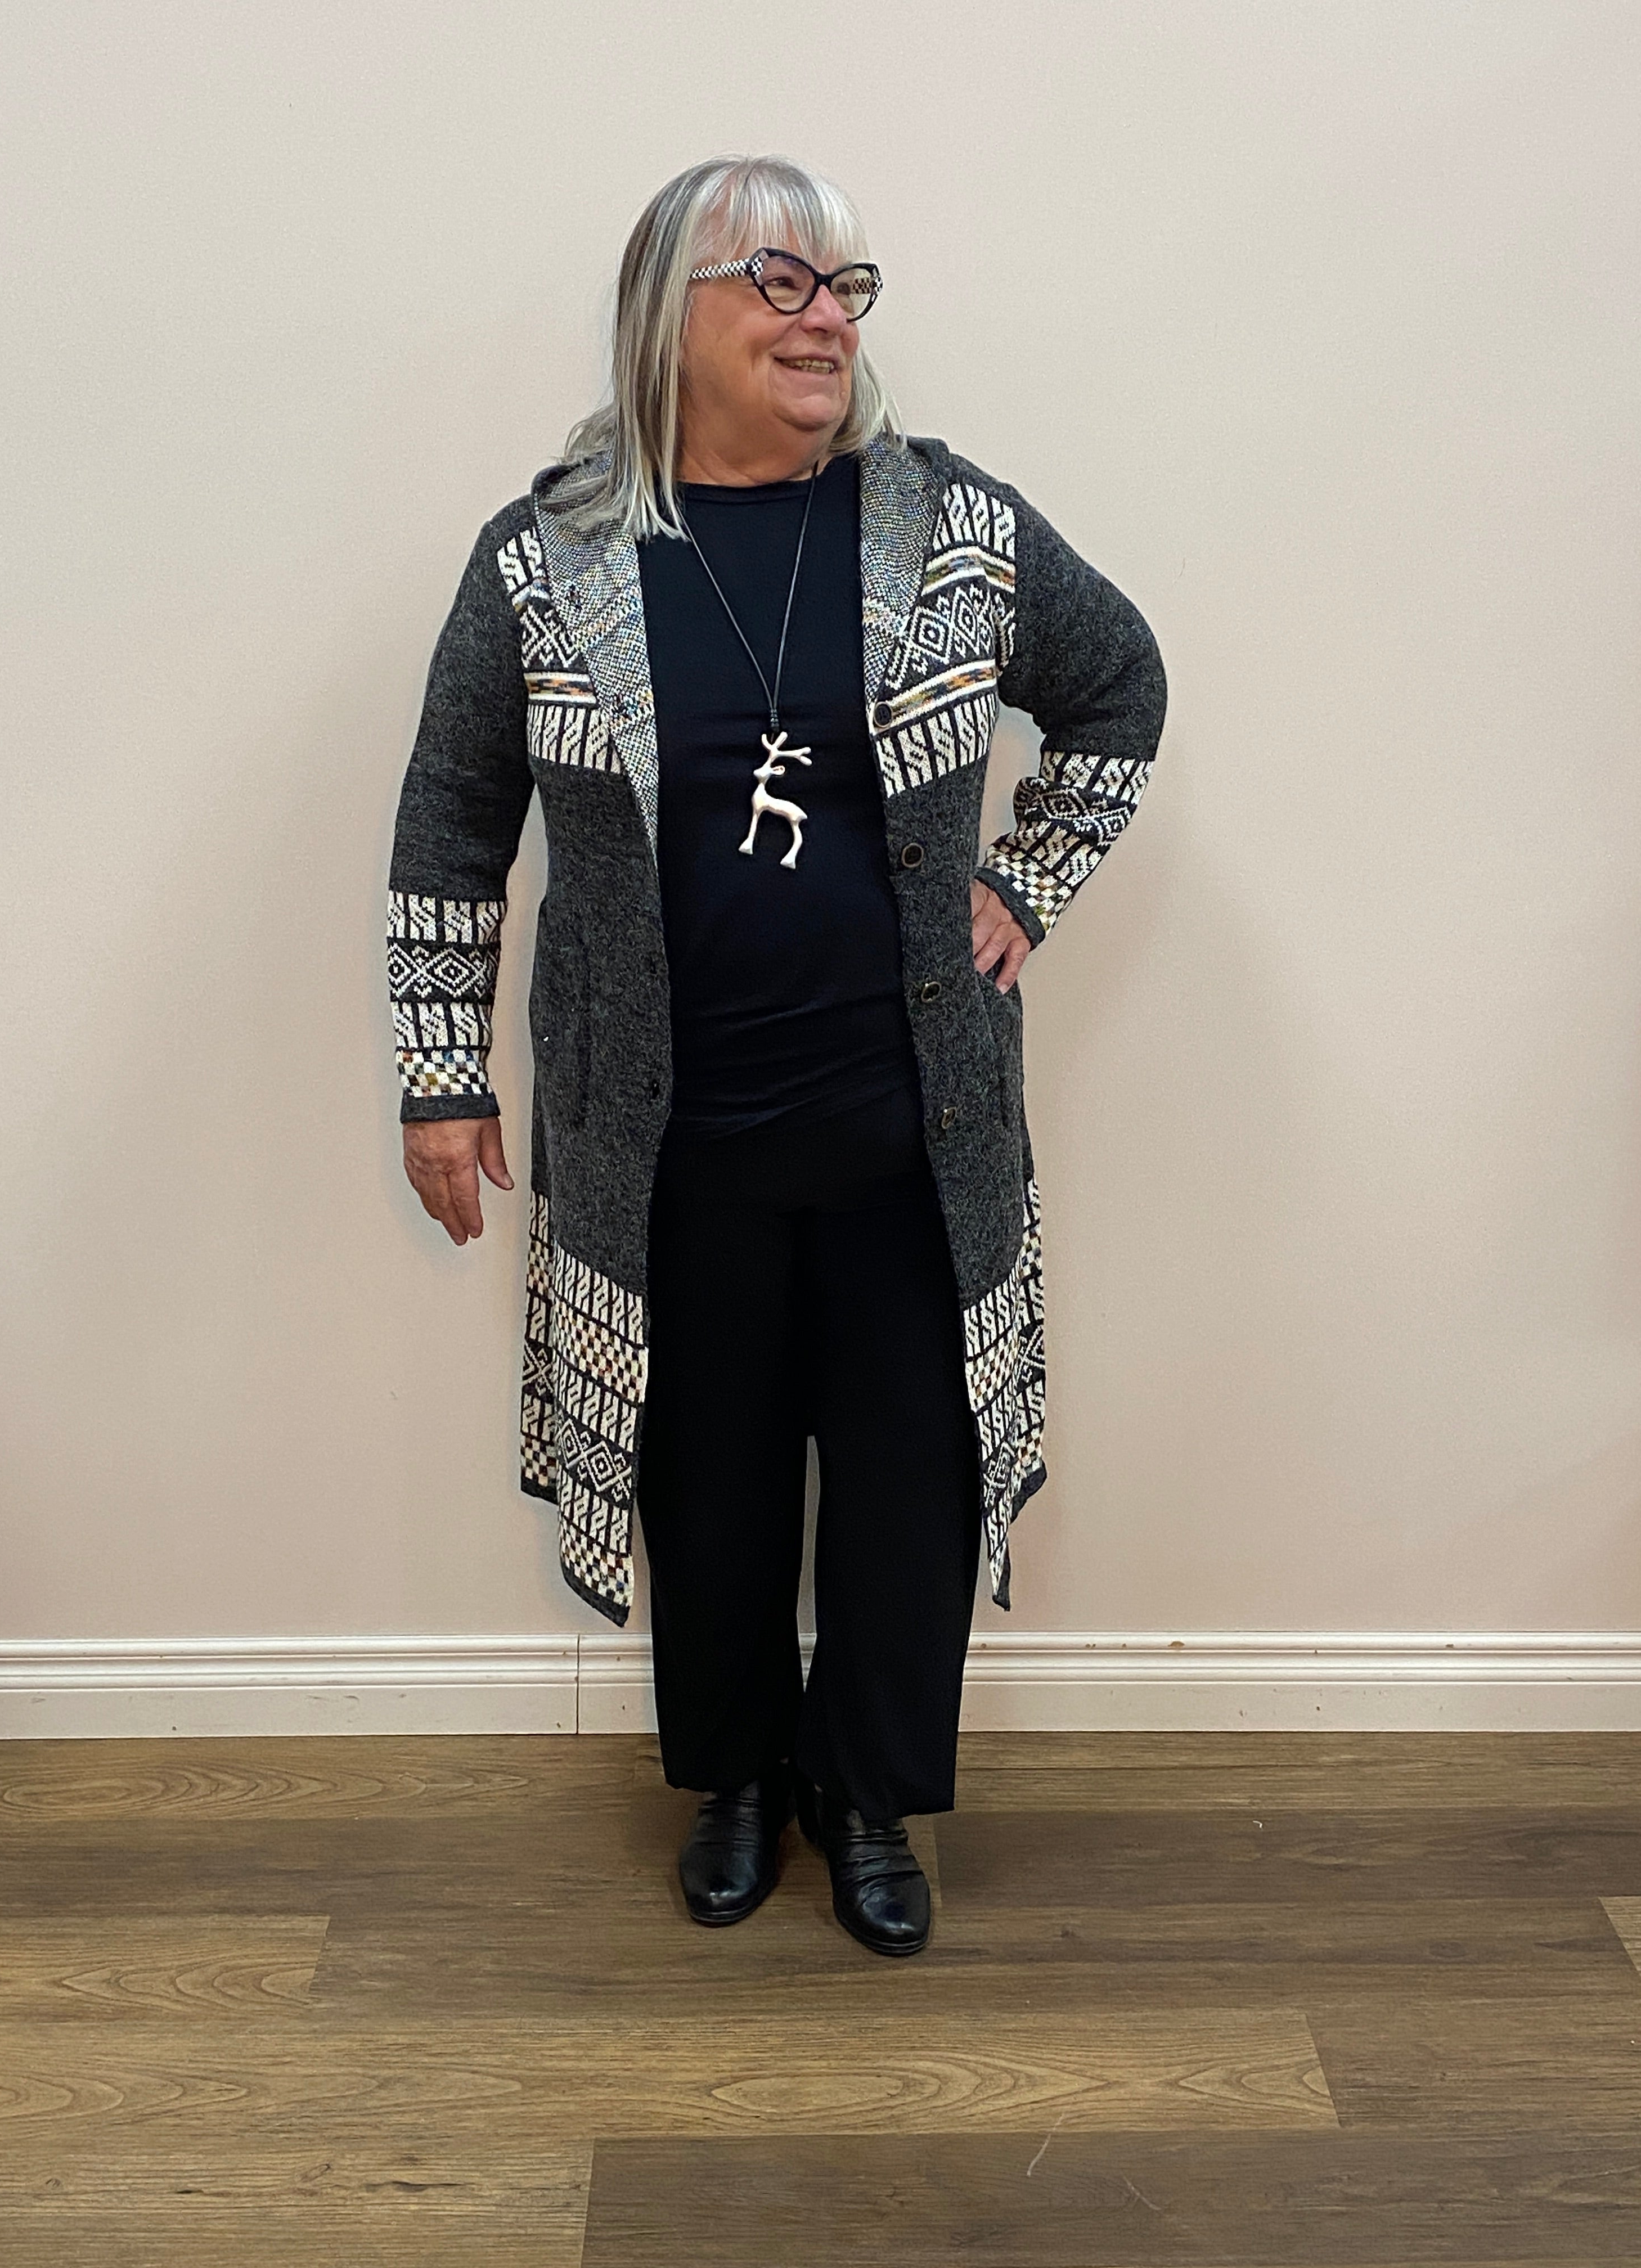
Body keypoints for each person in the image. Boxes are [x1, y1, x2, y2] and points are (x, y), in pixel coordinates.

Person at [386, 154, 1167, 1958]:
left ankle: (871, 1795)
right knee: (710, 1477)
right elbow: (452, 815)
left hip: (910, 1131)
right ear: (672, 312)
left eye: (848, 288)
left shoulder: (948, 528)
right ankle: (738, 1777)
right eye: (785, 283)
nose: (830, 320)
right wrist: (443, 1073)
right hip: (670, 1143)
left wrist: (1029, 883)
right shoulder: (549, 560)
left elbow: (1119, 681)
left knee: (907, 1478)